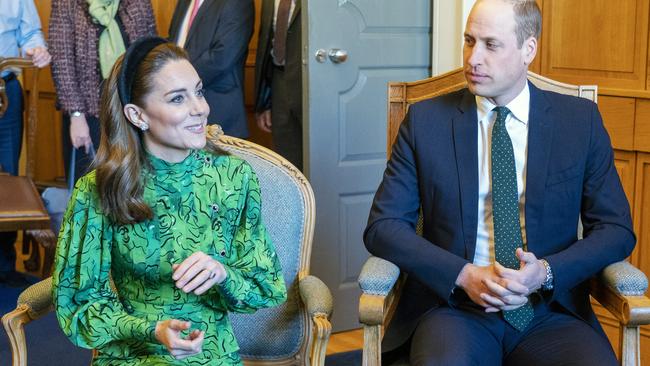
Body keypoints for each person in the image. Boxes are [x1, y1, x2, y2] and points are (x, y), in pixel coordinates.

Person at [364, 1, 635, 365]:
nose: (473, 58)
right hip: (453, 308)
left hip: (549, 311)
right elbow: (383, 227)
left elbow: (616, 229)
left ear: (528, 50)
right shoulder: (426, 123)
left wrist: (546, 272)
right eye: (469, 41)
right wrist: (462, 274)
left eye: (491, 45)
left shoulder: (579, 123)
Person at [52, 37, 287, 365]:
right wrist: (150, 330)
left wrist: (222, 273)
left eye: (199, 91)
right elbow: (77, 305)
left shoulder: (233, 177)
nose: (200, 109)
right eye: (178, 98)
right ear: (137, 115)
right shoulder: (98, 190)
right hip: (131, 356)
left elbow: (267, 286)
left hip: (212, 355)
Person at [49, 0, 156, 183]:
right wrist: (76, 115)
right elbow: (62, 60)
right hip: (87, 116)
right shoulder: (67, 3)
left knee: (132, 182)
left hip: (131, 111)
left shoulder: (138, 3)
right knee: (88, 184)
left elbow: (150, 52)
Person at [0, 0, 51, 287]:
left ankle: (4, 263)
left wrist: (36, 48)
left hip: (6, 91)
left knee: (7, 175)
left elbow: (31, 33)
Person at [168, 0, 255, 138]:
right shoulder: (184, 2)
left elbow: (222, 57)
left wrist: (176, 82)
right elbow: (174, 43)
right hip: (179, 112)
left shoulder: (237, 3)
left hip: (217, 111)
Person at [254, 0, 302, 170]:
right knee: (286, 162)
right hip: (278, 81)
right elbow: (265, 43)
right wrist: (264, 101)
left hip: (310, 84)